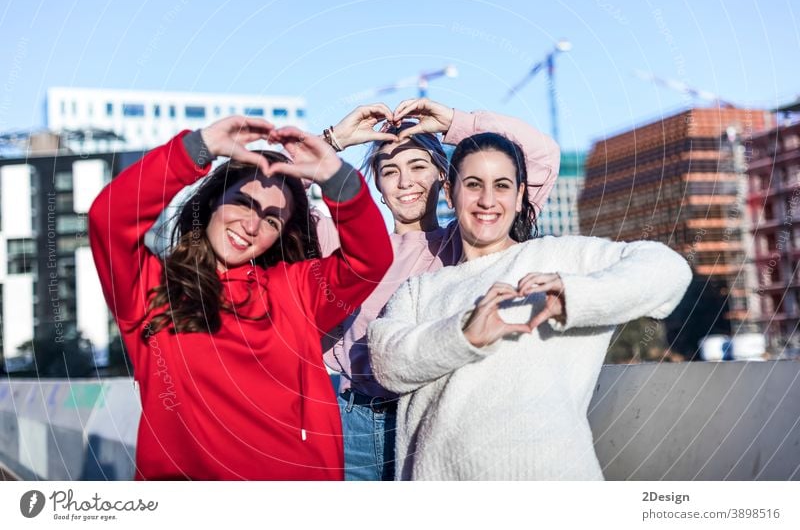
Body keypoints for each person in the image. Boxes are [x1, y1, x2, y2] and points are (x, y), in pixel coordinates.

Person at [368, 132, 693, 480]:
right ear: (449, 192)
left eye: (503, 185)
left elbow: (668, 269)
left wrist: (575, 295)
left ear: (521, 195)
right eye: (474, 184)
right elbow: (387, 361)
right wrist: (464, 335)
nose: (488, 200)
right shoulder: (421, 289)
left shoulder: (559, 257)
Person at [88, 115, 393, 480]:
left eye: (271, 221)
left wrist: (335, 176)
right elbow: (109, 217)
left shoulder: (297, 288)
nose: (251, 226)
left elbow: (370, 260)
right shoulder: (151, 288)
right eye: (243, 203)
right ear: (214, 201)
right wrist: (197, 148)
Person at [274, 98, 560, 480]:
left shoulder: (468, 239)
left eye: (418, 166)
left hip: (430, 416)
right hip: (349, 421)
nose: (405, 182)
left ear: (444, 178)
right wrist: (333, 141)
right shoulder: (337, 240)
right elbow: (269, 192)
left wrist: (455, 122)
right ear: (376, 183)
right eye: (389, 171)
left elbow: (543, 160)